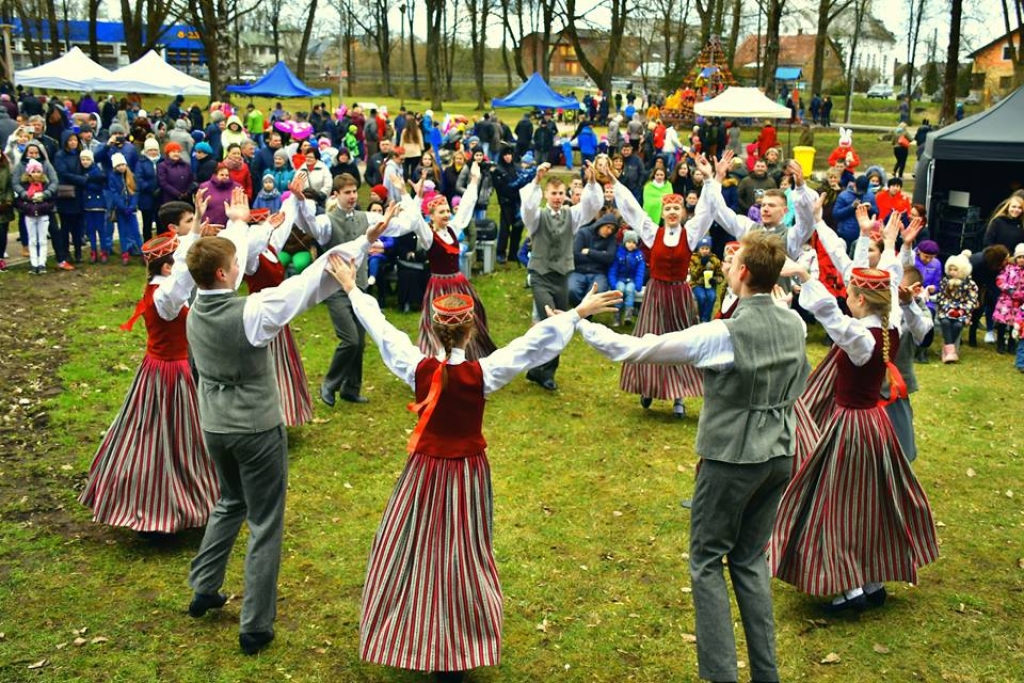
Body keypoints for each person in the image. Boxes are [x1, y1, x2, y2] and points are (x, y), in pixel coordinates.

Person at [325, 254, 619, 683]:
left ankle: (414, 635)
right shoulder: (484, 371)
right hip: (466, 474)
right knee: (462, 552)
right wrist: (575, 313)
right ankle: (456, 647)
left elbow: (383, 332)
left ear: (431, 329)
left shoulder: (418, 366)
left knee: (414, 547)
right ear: (472, 329)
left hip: (423, 472)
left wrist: (353, 288)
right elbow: (531, 345)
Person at [577, 231, 809, 683]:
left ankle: (721, 675)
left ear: (743, 272)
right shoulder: (793, 323)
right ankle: (766, 674)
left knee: (706, 561)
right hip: (781, 451)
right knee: (749, 559)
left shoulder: (722, 334)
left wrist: (579, 321)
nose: (726, 266)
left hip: (733, 457)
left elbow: (636, 348)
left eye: (732, 261)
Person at [183, 188, 386, 656]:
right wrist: (358, 246)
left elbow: (216, 259)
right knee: (266, 521)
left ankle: (204, 586)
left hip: (213, 425)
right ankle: (255, 624)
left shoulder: (194, 304)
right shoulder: (251, 311)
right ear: (221, 274)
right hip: (254, 427)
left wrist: (236, 223)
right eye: (235, 266)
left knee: (229, 500)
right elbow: (307, 284)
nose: (241, 268)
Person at [772, 261, 939, 612]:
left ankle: (848, 587)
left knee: (838, 504)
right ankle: (872, 580)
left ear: (861, 299)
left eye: (850, 293)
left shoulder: (861, 337)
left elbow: (830, 315)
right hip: (875, 424)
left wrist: (805, 276)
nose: (845, 298)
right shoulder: (890, 327)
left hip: (851, 426)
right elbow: (847, 311)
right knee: (869, 503)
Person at [79, 231, 218, 534]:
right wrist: (193, 246)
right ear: (167, 267)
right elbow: (183, 278)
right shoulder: (166, 295)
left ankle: (153, 499)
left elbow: (181, 274)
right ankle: (166, 505)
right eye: (178, 263)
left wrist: (194, 235)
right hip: (170, 373)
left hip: (156, 369)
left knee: (150, 433)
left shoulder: (157, 288)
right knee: (174, 437)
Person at [291, 172, 415, 406]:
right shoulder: (328, 220)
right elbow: (311, 226)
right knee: (350, 339)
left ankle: (351, 388)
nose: (352, 196)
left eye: (355, 192)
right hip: (334, 289)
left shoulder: (365, 217)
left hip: (358, 287)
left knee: (360, 340)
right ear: (336, 195)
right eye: (347, 192)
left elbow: (399, 226)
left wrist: (409, 201)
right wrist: (299, 201)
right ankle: (329, 384)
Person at [608, 155, 714, 417]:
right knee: (650, 340)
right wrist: (615, 182)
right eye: (668, 209)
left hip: (678, 293)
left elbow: (706, 211)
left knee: (680, 342)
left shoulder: (690, 235)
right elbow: (633, 209)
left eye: (677, 209)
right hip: (656, 293)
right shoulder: (651, 232)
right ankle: (648, 386)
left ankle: (679, 396)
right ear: (663, 213)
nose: (672, 213)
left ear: (683, 213)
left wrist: (713, 180)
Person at [519, 161, 603, 391]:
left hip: (562, 276)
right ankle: (539, 367)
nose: (557, 197)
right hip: (540, 274)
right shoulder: (537, 216)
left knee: (560, 325)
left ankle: (543, 370)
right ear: (546, 195)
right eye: (553, 193)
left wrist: (593, 181)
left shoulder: (572, 216)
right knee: (550, 320)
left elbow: (591, 205)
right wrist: (536, 180)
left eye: (560, 193)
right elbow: (527, 207)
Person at [402, 165, 498, 360]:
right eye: (441, 212)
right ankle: (440, 359)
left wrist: (473, 181)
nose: (446, 214)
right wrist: (406, 193)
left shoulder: (453, 229)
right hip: (439, 286)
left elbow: (465, 209)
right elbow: (415, 220)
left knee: (472, 316)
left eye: (447, 211)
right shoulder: (429, 236)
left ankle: (469, 353)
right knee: (441, 324)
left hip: (459, 282)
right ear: (431, 215)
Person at [490, 144, 536, 264]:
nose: (508, 157)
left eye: (510, 154)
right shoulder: (498, 170)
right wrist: (522, 181)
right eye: (506, 154)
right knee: (504, 229)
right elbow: (504, 188)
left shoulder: (516, 167)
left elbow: (522, 180)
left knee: (517, 227)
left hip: (517, 202)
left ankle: (513, 253)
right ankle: (500, 252)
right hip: (506, 202)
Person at [568, 212, 618, 304]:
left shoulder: (611, 239)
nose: (609, 231)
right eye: (608, 227)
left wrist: (589, 252)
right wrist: (601, 255)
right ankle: (580, 313)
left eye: (612, 229)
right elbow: (575, 255)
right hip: (578, 271)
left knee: (598, 292)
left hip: (598, 273)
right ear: (601, 224)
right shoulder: (583, 233)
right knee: (571, 290)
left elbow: (609, 258)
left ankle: (585, 315)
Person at [609, 229, 646, 326]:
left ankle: (627, 316)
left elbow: (640, 271)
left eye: (634, 242)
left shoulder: (639, 256)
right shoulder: (619, 254)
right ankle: (616, 316)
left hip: (632, 280)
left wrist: (638, 283)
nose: (631, 244)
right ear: (625, 242)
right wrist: (613, 282)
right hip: (620, 279)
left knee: (630, 290)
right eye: (629, 242)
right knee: (620, 290)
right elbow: (613, 269)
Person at [689, 236, 722, 322]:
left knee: (712, 296)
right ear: (699, 249)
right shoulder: (693, 259)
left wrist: (715, 280)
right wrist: (702, 265)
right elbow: (693, 275)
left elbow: (720, 275)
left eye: (707, 248)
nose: (704, 251)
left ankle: (706, 319)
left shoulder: (714, 260)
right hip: (697, 284)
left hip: (709, 284)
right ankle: (700, 316)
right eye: (702, 248)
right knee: (701, 297)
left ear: (710, 249)